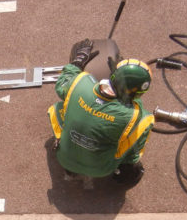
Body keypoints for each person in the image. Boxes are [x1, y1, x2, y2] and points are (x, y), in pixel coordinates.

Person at [47, 39, 155, 183]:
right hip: (102, 169)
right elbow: (135, 103)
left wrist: (77, 61)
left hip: (65, 159)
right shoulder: (133, 113)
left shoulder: (80, 82)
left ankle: (69, 158)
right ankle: (127, 170)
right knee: (145, 122)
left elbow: (62, 84)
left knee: (57, 108)